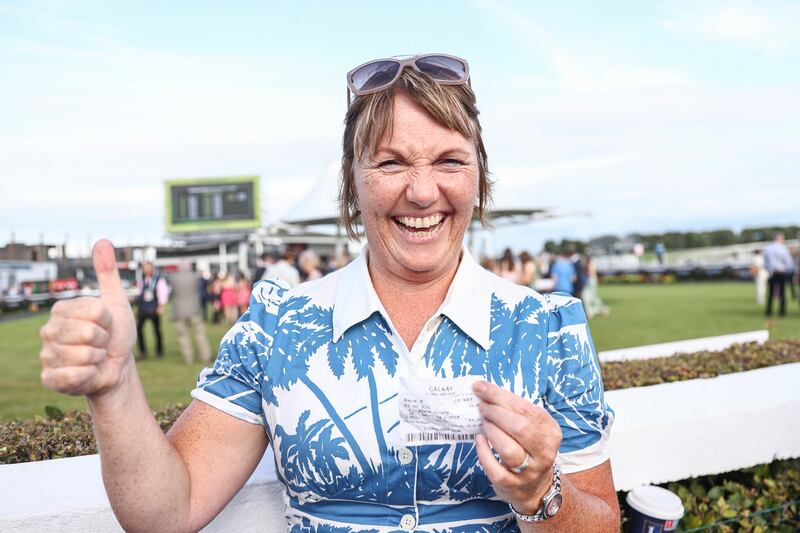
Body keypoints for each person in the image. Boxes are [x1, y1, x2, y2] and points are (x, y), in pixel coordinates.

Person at [38, 54, 619, 532]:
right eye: (391, 162)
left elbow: (602, 521)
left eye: (449, 161)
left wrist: (543, 494)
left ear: (479, 178)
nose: (422, 192)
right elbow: (165, 511)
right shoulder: (279, 325)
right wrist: (114, 389)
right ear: (352, 181)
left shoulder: (548, 329)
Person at [167, 262, 211, 365]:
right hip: (194, 309)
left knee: (183, 336)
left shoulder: (174, 278)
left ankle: (188, 358)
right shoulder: (195, 277)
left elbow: (173, 293)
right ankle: (206, 356)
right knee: (200, 334)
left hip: (179, 310)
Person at [134, 261, 168, 359]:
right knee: (139, 329)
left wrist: (161, 306)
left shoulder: (158, 280)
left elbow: (162, 293)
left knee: (157, 330)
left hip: (154, 309)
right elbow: (140, 294)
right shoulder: (141, 280)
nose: (145, 270)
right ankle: (142, 351)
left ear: (152, 268)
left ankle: (159, 351)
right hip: (143, 309)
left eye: (147, 268)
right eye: (144, 268)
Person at [763, 233, 795, 317]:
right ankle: (782, 312)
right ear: (780, 239)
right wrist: (791, 271)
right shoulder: (783, 249)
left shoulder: (767, 248)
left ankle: (768, 312)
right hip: (782, 273)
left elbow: (765, 263)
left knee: (770, 294)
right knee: (782, 294)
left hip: (772, 273)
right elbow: (788, 262)